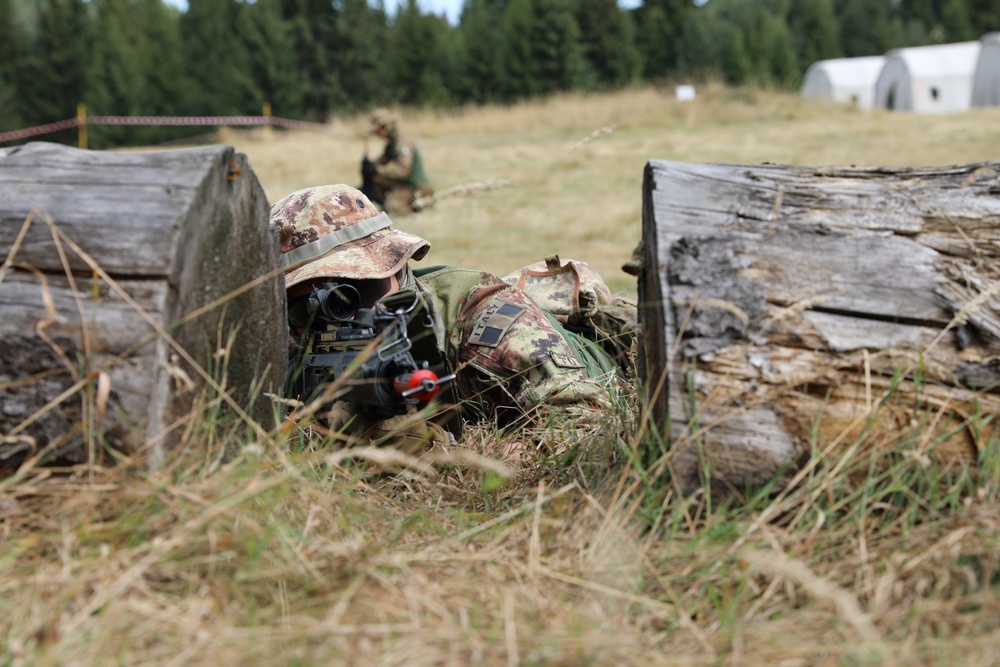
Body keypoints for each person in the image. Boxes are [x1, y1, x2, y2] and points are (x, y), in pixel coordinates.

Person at [271, 183, 637, 454]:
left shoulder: (489, 324)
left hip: (607, 354)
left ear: (397, 267)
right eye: (308, 306)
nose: (340, 317)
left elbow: (590, 427)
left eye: (358, 288)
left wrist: (448, 457)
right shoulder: (294, 346)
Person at [360, 107, 433, 214]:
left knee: (392, 208)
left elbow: (403, 171)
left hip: (415, 186)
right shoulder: (392, 143)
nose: (377, 134)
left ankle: (410, 204)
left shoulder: (402, 142)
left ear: (386, 127)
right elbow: (382, 161)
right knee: (375, 179)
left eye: (378, 130)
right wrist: (368, 164)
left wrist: (376, 169)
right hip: (403, 183)